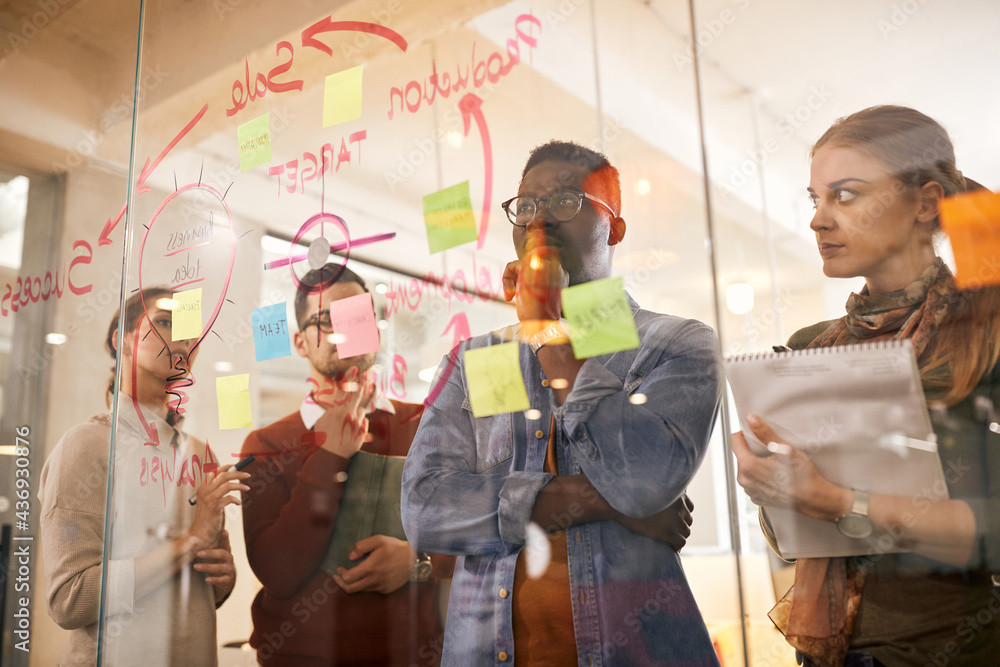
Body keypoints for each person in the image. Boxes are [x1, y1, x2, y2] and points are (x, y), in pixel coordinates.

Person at [401, 140, 722, 666]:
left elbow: (644, 479)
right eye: (525, 206)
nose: (540, 222)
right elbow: (425, 509)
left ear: (614, 227)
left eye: (567, 201)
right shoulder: (477, 359)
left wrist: (549, 333)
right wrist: (600, 500)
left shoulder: (674, 344)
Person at [732, 105, 1000, 667]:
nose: (818, 220)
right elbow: (790, 540)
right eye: (815, 199)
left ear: (925, 202)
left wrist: (835, 501)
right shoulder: (808, 348)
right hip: (830, 654)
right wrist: (773, 490)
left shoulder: (984, 336)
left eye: (845, 194)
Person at [240, 264, 451, 666]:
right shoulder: (266, 445)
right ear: (300, 342)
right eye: (325, 319)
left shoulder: (426, 425)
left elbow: (477, 536)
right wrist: (331, 455)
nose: (344, 329)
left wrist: (416, 561)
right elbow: (279, 573)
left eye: (357, 317)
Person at [39, 286, 248, 666]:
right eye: (166, 321)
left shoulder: (201, 455)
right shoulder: (86, 446)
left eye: (190, 329)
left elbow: (198, 593)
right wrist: (190, 541)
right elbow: (68, 600)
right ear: (124, 339)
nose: (182, 338)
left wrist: (222, 579)